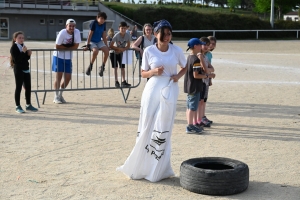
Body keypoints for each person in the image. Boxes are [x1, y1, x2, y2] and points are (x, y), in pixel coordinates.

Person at [117, 19, 187, 182]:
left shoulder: (176, 50)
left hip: (169, 89)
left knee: (163, 126)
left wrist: (177, 76)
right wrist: (154, 71)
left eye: (169, 34)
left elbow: (185, 66)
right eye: (163, 33)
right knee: (147, 124)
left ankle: (158, 168)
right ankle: (139, 165)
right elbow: (143, 73)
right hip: (152, 88)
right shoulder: (149, 51)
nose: (167, 37)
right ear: (155, 34)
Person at [184, 38, 214, 134]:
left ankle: (190, 124)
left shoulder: (189, 57)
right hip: (195, 86)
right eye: (200, 44)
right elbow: (196, 75)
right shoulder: (196, 59)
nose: (202, 46)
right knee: (193, 107)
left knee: (189, 106)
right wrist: (207, 75)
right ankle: (190, 126)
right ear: (196, 46)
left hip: (189, 85)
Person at [52, 19, 81, 104]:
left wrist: (65, 47)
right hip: (58, 56)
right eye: (70, 25)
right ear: (66, 26)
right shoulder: (62, 33)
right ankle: (56, 96)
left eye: (73, 26)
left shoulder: (77, 32)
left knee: (68, 78)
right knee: (58, 77)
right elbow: (57, 46)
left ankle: (60, 94)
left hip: (68, 57)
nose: (71, 27)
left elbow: (76, 46)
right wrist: (69, 47)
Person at [10, 31, 38, 113]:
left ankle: (28, 105)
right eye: (19, 38)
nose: (21, 39)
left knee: (28, 87)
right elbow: (17, 60)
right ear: (15, 39)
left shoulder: (23, 46)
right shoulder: (14, 48)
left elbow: (25, 59)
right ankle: (17, 106)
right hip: (18, 69)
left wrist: (28, 54)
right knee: (18, 87)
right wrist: (23, 52)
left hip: (26, 69)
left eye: (22, 38)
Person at [196, 37, 215, 127]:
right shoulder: (200, 55)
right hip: (201, 80)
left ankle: (202, 117)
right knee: (199, 101)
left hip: (206, 80)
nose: (207, 46)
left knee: (203, 100)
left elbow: (212, 68)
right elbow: (206, 69)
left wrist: (209, 73)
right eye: (205, 45)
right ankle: (199, 119)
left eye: (208, 45)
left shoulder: (206, 56)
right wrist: (209, 72)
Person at [84, 12, 109, 77]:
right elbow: (90, 34)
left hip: (99, 41)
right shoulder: (93, 23)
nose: (102, 20)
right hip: (92, 41)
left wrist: (106, 45)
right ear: (97, 18)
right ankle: (90, 66)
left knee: (107, 51)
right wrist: (88, 45)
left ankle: (102, 67)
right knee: (95, 51)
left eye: (104, 19)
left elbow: (104, 35)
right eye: (101, 18)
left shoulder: (104, 24)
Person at [109, 21, 131, 88]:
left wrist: (124, 49)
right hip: (114, 53)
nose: (123, 30)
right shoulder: (116, 35)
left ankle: (123, 81)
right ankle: (116, 81)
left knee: (122, 68)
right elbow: (111, 45)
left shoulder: (127, 35)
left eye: (124, 28)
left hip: (121, 53)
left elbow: (128, 45)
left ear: (126, 28)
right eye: (122, 28)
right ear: (119, 28)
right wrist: (119, 49)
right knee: (115, 67)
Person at [202, 36, 217, 124]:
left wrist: (210, 78)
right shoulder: (202, 54)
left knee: (204, 99)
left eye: (213, 44)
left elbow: (209, 66)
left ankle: (203, 116)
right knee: (201, 100)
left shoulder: (209, 55)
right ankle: (200, 117)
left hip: (207, 78)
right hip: (202, 78)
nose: (211, 45)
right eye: (209, 44)